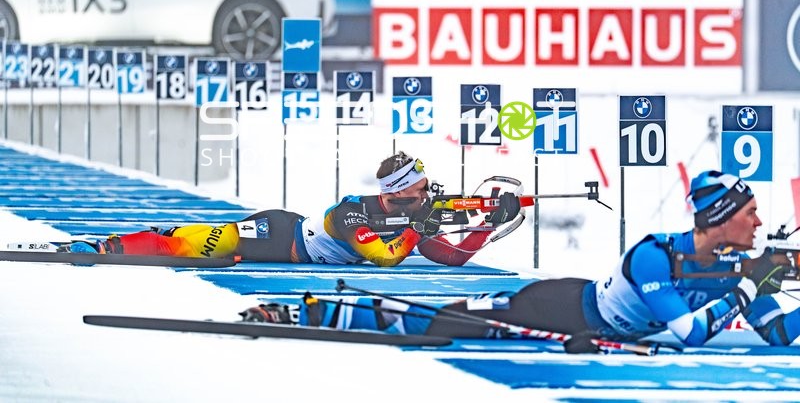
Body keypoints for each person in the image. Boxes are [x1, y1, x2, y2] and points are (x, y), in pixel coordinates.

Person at [242, 170, 800, 351]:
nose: (758, 223)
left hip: (594, 327)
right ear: (721, 218)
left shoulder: (738, 267)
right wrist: (750, 286)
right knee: (441, 323)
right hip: (559, 308)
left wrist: (759, 285)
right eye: (750, 212)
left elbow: (778, 333)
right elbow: (688, 333)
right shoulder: (655, 254)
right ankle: (305, 312)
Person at [63, 151, 522, 267]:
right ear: (397, 193)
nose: (428, 195)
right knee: (194, 246)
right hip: (279, 236)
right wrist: (416, 230)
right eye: (420, 190)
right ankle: (105, 248)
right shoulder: (351, 213)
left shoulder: (415, 216)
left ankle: (155, 235)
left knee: (199, 243)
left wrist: (488, 223)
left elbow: (452, 257)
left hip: (290, 241)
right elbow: (381, 257)